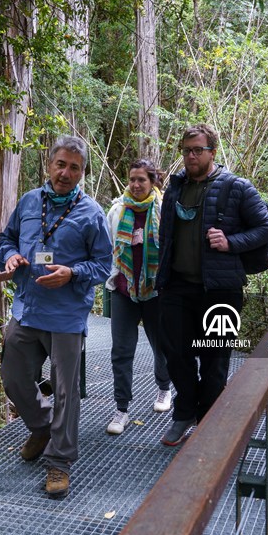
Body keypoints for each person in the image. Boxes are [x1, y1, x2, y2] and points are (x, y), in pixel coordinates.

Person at [0, 135, 112, 499]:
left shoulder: (91, 213)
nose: (65, 172)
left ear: (82, 173)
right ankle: (41, 427)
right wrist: (10, 256)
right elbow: (6, 240)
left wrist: (72, 273)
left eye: (74, 167)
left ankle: (59, 462)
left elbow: (103, 265)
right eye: (60, 164)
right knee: (14, 377)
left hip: (65, 314)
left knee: (65, 391)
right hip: (28, 309)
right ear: (49, 164)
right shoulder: (30, 201)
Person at [156, 124, 268, 446]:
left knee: (214, 358)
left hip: (220, 289)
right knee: (176, 354)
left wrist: (231, 242)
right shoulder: (176, 187)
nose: (191, 156)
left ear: (212, 151)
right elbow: (166, 235)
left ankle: (207, 423)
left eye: (198, 150)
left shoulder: (236, 187)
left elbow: (266, 227)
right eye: (186, 150)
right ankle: (185, 413)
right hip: (177, 287)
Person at [104, 159, 171, 435]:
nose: (135, 184)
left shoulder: (165, 210)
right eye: (132, 179)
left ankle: (164, 389)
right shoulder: (118, 210)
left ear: (153, 181)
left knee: (162, 345)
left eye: (142, 179)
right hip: (124, 290)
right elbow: (108, 247)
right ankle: (121, 408)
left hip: (156, 291)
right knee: (121, 350)